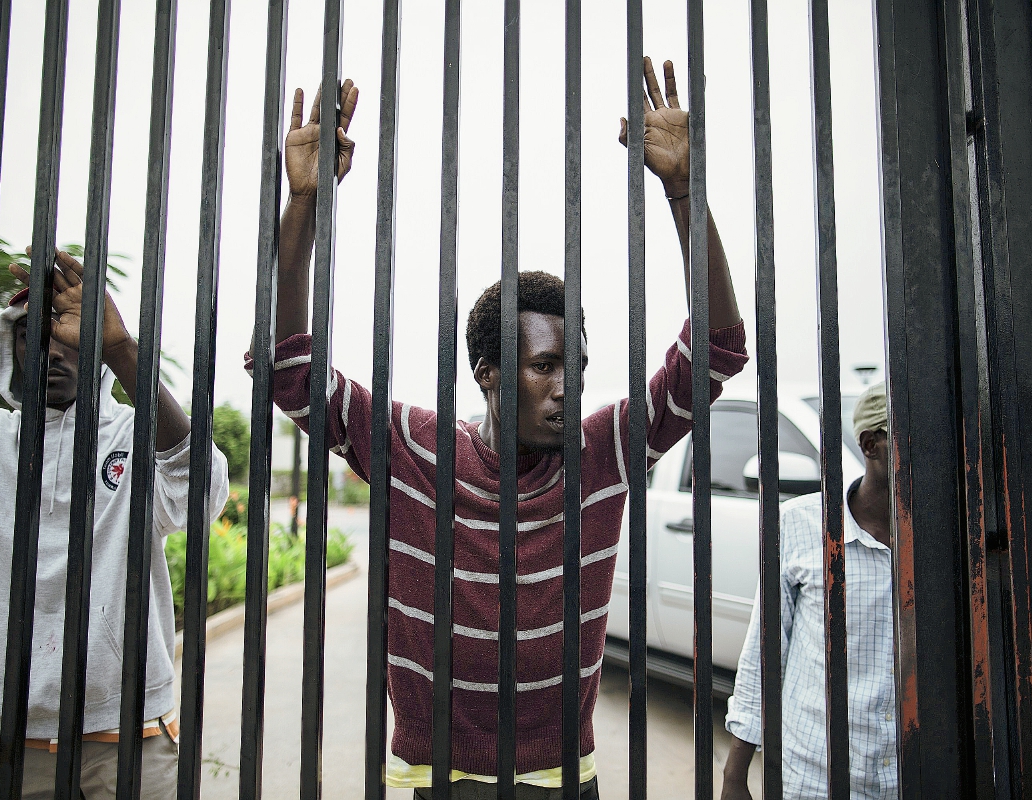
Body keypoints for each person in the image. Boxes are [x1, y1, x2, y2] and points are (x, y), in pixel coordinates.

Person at [258, 62, 747, 799]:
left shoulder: (602, 450)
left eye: (576, 366)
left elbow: (717, 352)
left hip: (562, 779)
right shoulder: (413, 450)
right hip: (437, 777)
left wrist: (684, 193)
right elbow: (291, 372)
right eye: (546, 367)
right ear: (487, 373)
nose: (567, 386)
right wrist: (303, 209)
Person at [0, 249, 229, 798]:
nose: (51, 351)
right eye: (32, 336)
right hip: (15, 730)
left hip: (131, 731)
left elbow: (202, 488)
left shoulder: (133, 437)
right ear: (10, 348)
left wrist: (120, 347)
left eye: (69, 337)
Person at [720, 382, 897, 800]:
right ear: (872, 445)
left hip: (915, 772)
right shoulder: (802, 526)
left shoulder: (955, 531)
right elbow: (765, 651)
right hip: (817, 773)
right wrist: (734, 774)